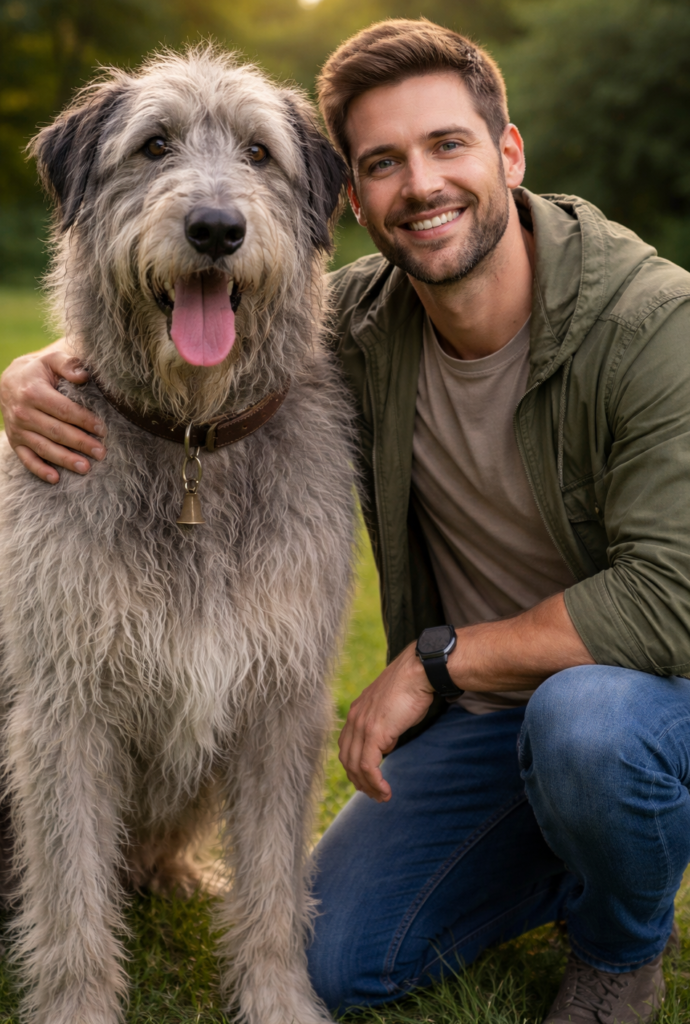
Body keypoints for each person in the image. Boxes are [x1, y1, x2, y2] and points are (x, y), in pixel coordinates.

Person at [2, 18, 690, 1024]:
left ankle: (622, 943)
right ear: (353, 200)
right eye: (383, 162)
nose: (421, 184)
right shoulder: (365, 320)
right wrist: (27, 373)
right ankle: (77, 980)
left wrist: (436, 660)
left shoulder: (656, 325)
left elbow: (676, 598)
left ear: (508, 151)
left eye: (447, 145)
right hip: (485, 728)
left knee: (591, 728)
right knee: (346, 962)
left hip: (623, 699)